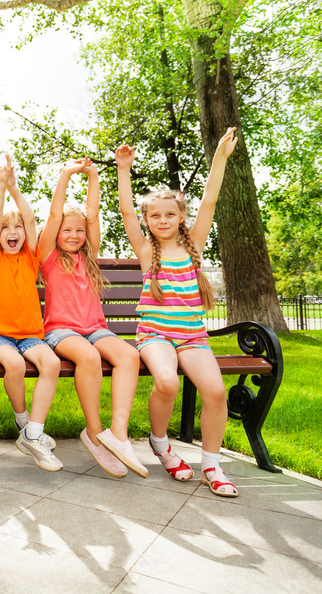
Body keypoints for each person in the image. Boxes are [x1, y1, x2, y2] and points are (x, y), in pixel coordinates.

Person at [115, 127, 240, 497]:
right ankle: (160, 444)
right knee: (167, 382)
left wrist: (219, 158)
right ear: (149, 220)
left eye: (171, 214)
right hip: (155, 336)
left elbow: (209, 203)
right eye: (156, 216)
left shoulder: (194, 246)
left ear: (180, 217)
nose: (164, 221)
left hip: (191, 336)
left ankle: (211, 465)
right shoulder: (144, 251)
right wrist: (125, 169)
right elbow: (125, 210)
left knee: (216, 392)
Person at [39, 157, 146, 478]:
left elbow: (94, 212)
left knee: (129, 356)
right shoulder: (48, 256)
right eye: (67, 230)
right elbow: (55, 213)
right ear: (55, 232)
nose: (73, 235)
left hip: (96, 329)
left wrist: (95, 175)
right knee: (87, 357)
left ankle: (118, 434)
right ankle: (95, 432)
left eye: (79, 231)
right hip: (61, 331)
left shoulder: (89, 256)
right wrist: (66, 173)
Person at [0, 155, 62, 469]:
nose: (12, 231)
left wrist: (14, 188)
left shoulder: (30, 258)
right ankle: (24, 423)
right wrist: (0, 188)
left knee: (50, 363)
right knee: (14, 366)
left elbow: (29, 217)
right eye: (5, 228)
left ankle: (34, 433)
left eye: (18, 228)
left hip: (29, 335)